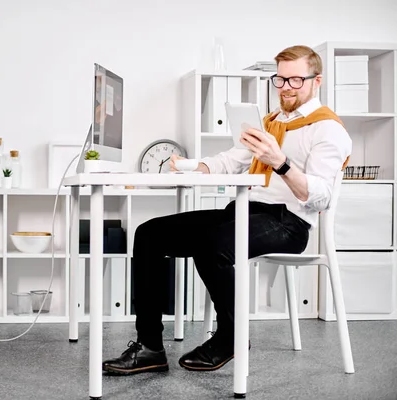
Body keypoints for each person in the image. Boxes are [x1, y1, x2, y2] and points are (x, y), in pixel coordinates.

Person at [102, 44, 352, 375]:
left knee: (213, 242)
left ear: (316, 81)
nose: (286, 89)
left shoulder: (328, 129)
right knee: (149, 233)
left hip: (288, 224)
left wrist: (280, 161)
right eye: (280, 80)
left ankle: (231, 337)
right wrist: (189, 167)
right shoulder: (270, 123)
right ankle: (150, 347)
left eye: (296, 80)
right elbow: (231, 160)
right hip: (245, 211)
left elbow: (319, 197)